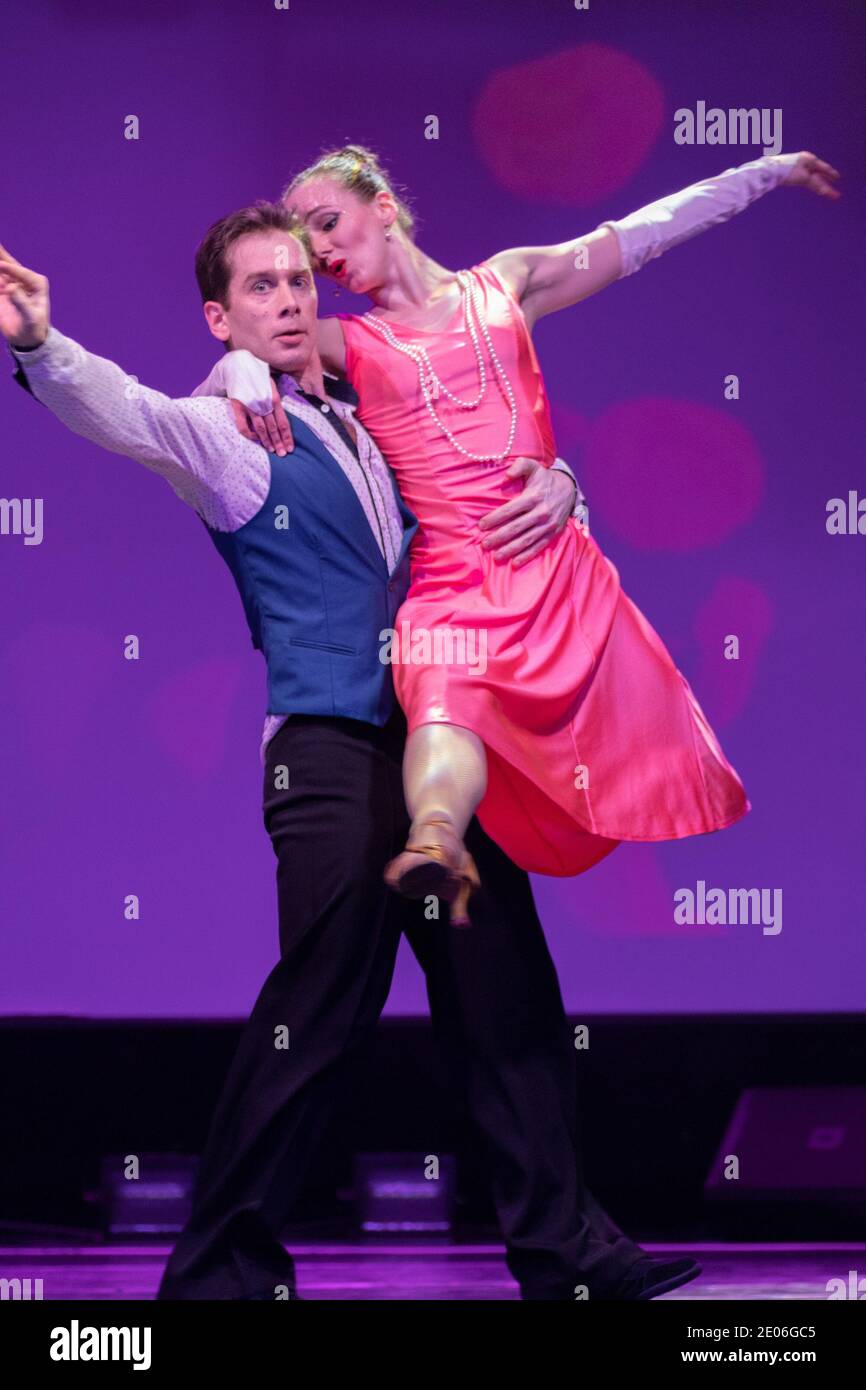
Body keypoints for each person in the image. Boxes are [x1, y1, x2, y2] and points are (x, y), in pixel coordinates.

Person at [0, 211, 698, 1300]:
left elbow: (493, 480)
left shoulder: (382, 416)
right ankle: (220, 1271)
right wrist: (42, 346)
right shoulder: (224, 432)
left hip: (436, 745)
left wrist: (566, 490)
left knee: (505, 994)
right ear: (220, 316)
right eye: (261, 287)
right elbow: (126, 411)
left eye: (297, 280)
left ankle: (568, 1256)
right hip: (326, 753)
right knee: (319, 1005)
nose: (289, 299)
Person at [201, 144, 840, 924]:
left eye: (329, 226)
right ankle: (436, 840)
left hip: (550, 573)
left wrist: (763, 173)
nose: (323, 256)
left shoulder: (506, 285)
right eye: (309, 251)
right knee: (442, 689)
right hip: (449, 584)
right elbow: (253, 352)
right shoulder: (347, 344)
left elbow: (643, 232)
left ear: (385, 207)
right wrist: (237, 370)